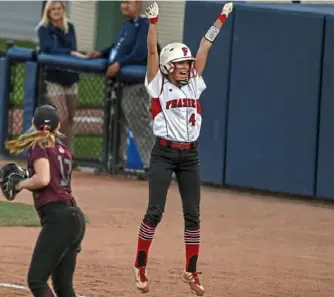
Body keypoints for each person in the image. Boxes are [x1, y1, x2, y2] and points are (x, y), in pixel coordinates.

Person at [132, 2, 234, 296]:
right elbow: (152, 51)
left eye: (189, 64)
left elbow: (205, 45)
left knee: (193, 215)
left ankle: (190, 271)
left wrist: (221, 18)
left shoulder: (194, 84)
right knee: (155, 211)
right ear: (168, 66)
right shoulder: (157, 84)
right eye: (182, 64)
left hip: (190, 156)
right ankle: (140, 265)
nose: (188, 67)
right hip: (163, 153)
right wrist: (153, 24)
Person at [5, 104, 86, 297]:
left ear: (33, 123)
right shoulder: (64, 150)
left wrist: (19, 184)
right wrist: (27, 175)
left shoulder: (39, 145)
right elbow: (54, 179)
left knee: (37, 280)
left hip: (59, 219)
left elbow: (43, 179)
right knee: (63, 287)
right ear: (58, 128)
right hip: (75, 219)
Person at [88, 0, 156, 179]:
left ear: (139, 4)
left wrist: (120, 63)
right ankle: (114, 162)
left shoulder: (145, 24)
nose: (124, 6)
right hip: (118, 84)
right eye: (123, 2)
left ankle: (154, 166)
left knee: (139, 124)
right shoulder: (126, 25)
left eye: (129, 2)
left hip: (135, 83)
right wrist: (101, 53)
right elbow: (116, 47)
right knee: (115, 122)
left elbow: (140, 52)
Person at [37, 0, 86, 157]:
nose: (56, 11)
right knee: (61, 116)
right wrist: (69, 53)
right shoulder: (43, 29)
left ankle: (67, 154)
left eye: (59, 8)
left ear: (63, 10)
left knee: (70, 118)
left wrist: (69, 52)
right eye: (53, 9)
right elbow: (49, 48)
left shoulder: (69, 27)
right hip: (54, 78)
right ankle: (50, 150)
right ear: (48, 12)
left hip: (70, 77)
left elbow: (72, 47)